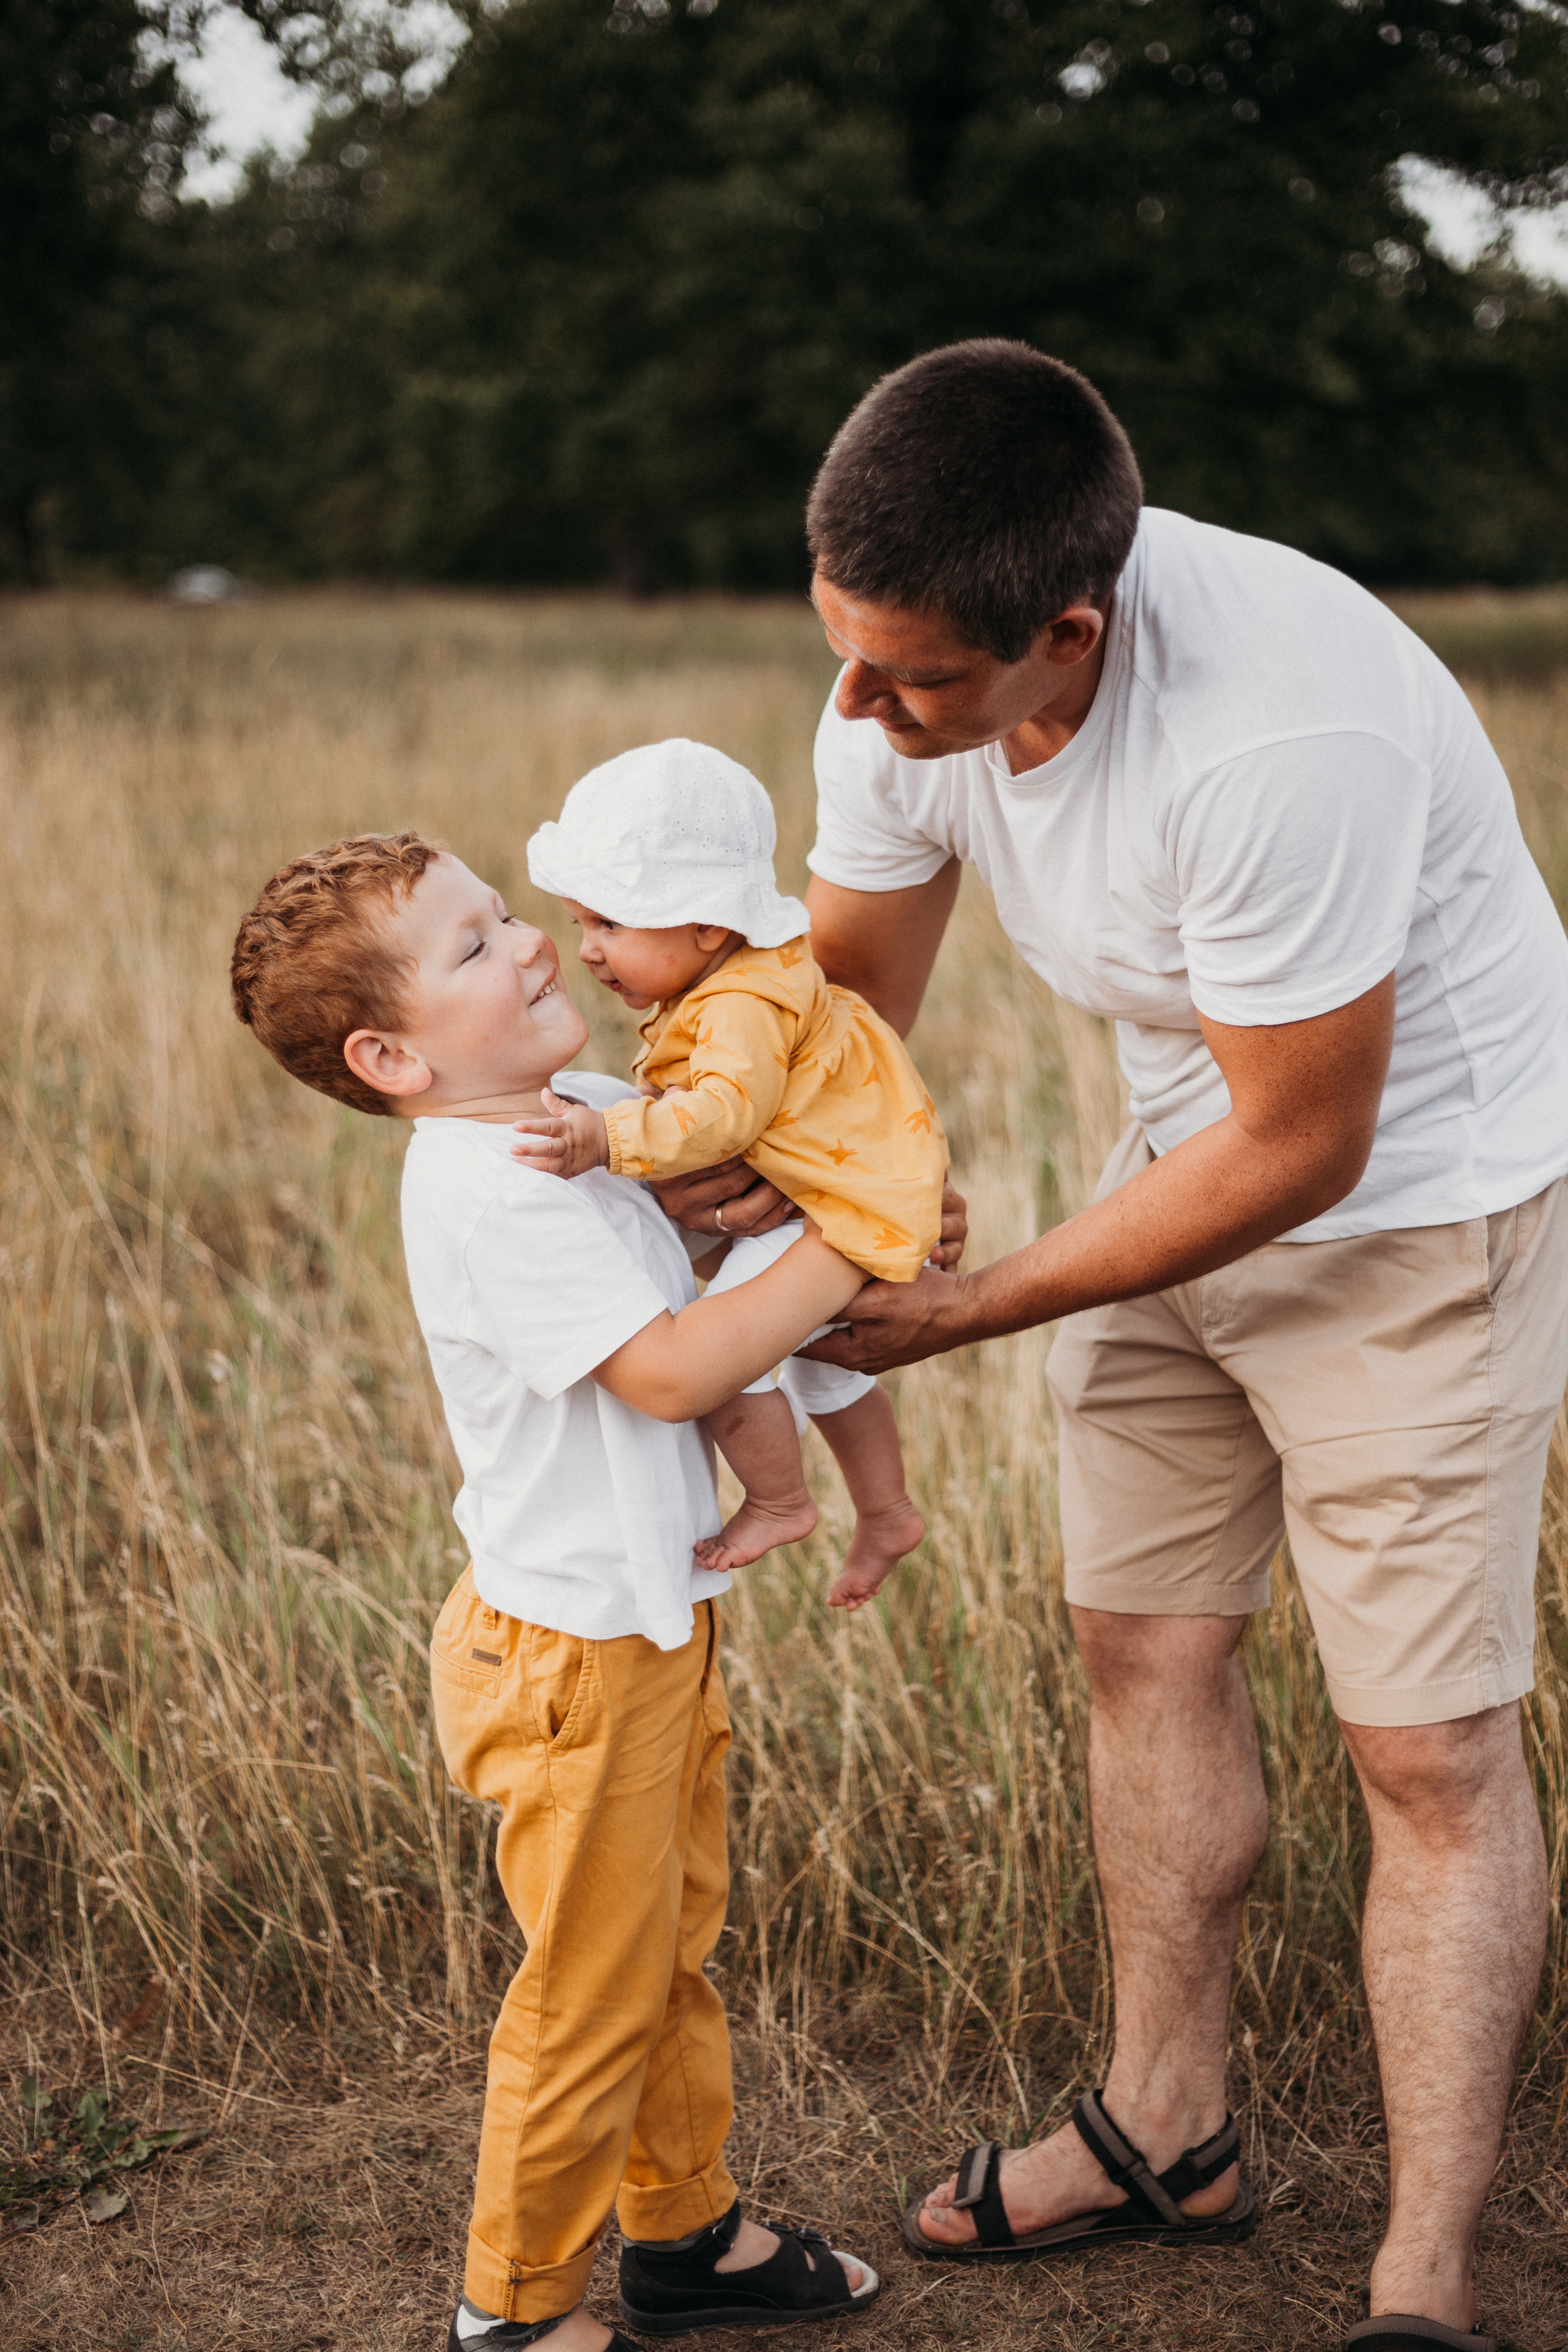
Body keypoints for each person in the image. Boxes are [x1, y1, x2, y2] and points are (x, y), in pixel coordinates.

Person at [654, 341, 1568, 2352]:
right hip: (1179, 1163)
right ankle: (1173, 2129)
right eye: (844, 655)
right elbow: (858, 1011)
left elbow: (1311, 1142)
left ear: (1067, 634)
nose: (860, 716)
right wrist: (789, 1176)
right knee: (1141, 1641)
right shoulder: (897, 690)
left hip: (1416, 1203)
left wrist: (977, 1297)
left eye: (914, 683)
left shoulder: (1268, 739)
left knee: (1421, 1747)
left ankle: (1427, 2272)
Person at [228, 832, 881, 2352]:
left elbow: (713, 1214)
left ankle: (683, 2234)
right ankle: (512, 2311)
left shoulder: (578, 1114)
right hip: (569, 1660)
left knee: (665, 1952)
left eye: (508, 916)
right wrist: (852, 1251)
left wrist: (823, 1214)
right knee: (591, 1991)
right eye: (472, 946)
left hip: (647, 1623)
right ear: (389, 1057)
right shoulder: (482, 1188)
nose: (529, 946)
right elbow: (665, 1373)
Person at [514, 737, 945, 1608]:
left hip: (832, 1201)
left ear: (707, 925)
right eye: (580, 925)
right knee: (827, 1362)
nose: (589, 952)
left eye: (610, 925)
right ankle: (889, 1510)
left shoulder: (742, 1003)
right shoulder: (741, 975)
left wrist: (608, 1139)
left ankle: (782, 1501)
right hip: (840, 1184)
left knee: (729, 1352)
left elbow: (724, 1116)